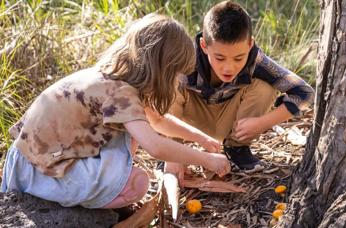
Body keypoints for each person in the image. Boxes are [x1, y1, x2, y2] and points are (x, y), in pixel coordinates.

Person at [0, 14, 231, 209]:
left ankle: (86, 198)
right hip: (40, 174)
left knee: (132, 131)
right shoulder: (121, 92)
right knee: (137, 182)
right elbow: (155, 145)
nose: (179, 81)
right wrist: (207, 159)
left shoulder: (108, 78)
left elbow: (158, 121)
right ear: (163, 69)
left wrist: (202, 139)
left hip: (24, 161)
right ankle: (85, 208)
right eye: (177, 74)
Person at [167, 1, 315, 174]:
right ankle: (171, 150)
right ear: (204, 46)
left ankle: (237, 148)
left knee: (265, 85)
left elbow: (305, 93)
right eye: (220, 58)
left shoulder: (256, 60)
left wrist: (262, 123)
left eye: (238, 58)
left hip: (233, 124)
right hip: (188, 123)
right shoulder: (186, 57)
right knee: (170, 82)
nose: (229, 68)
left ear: (250, 44)